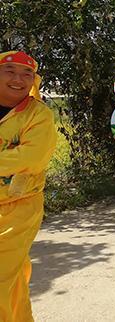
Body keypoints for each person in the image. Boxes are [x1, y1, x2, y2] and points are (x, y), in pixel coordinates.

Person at [0, 51, 57, 321]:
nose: (18, 79)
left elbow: (33, 158)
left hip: (18, 208)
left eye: (27, 74)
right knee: (12, 281)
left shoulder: (38, 115)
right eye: (9, 71)